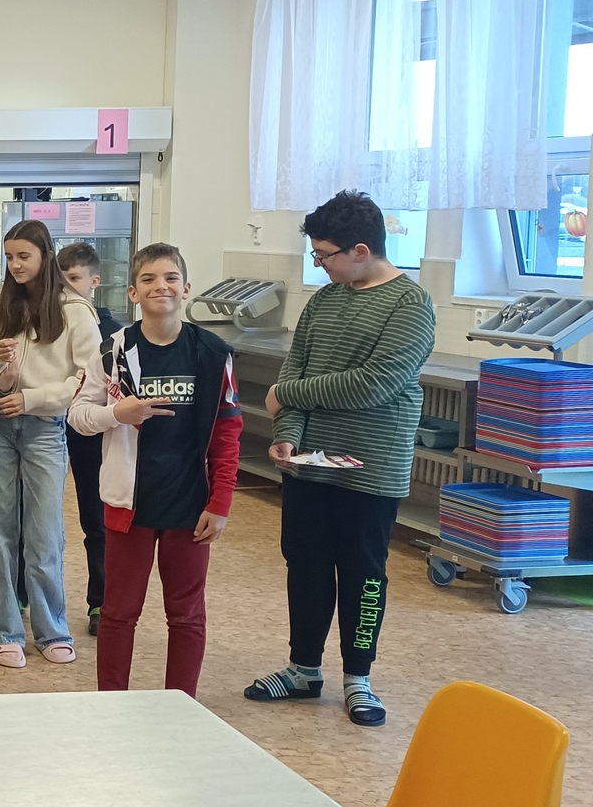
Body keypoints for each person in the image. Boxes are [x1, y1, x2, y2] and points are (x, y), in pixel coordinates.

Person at [247, 191, 435, 727]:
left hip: (371, 468)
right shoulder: (324, 300)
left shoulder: (411, 304)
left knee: (363, 573)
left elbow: (374, 385)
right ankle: (303, 669)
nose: (319, 263)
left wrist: (286, 396)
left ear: (360, 250)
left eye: (324, 254)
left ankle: (359, 678)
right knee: (305, 565)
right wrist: (286, 432)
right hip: (310, 462)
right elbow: (296, 368)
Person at [69, 244, 242, 697]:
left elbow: (227, 434)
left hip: (191, 505)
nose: (159, 286)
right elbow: (78, 416)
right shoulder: (112, 352)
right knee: (118, 612)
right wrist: (117, 414)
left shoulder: (212, 353)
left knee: (186, 615)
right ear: (133, 292)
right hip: (130, 504)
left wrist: (221, 502)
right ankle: (112, 703)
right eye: (147, 279)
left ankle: (181, 703)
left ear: (186, 288)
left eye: (170, 278)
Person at [0, 220, 100, 670]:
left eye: (24, 256)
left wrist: (33, 398)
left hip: (45, 427)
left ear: (46, 256)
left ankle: (52, 630)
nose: (15, 265)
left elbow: (89, 379)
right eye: (9, 257)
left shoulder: (75, 310)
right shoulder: (0, 300)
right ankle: (3, 631)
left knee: (45, 531)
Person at [56, 241, 123, 637]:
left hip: (90, 434)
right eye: (61, 280)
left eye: (75, 279)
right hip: (47, 424)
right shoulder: (47, 322)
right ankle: (24, 590)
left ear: (94, 282)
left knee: (96, 519)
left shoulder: (114, 334)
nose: (67, 288)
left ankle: (101, 600)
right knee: (35, 515)